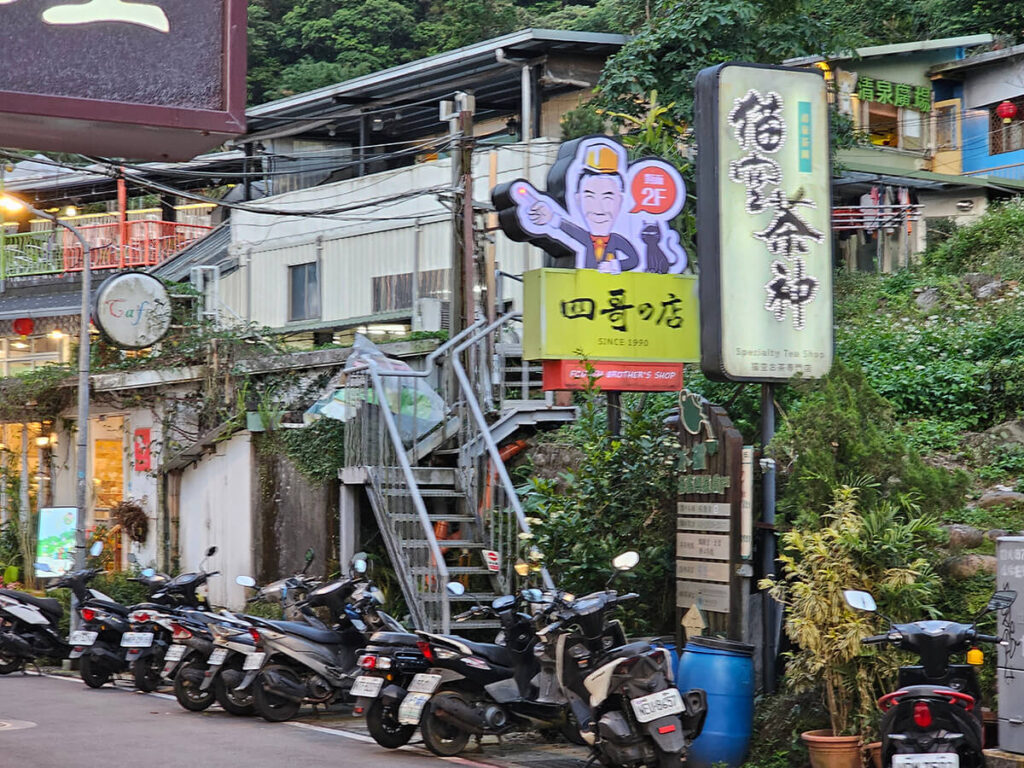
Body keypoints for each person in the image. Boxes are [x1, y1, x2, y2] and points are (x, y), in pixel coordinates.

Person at [526, 143, 639, 273]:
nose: (599, 208)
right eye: (589, 197)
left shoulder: (617, 240)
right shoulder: (584, 239)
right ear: (578, 199)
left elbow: (634, 259)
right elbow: (570, 230)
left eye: (608, 197)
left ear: (621, 200)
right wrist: (552, 218)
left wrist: (616, 265)